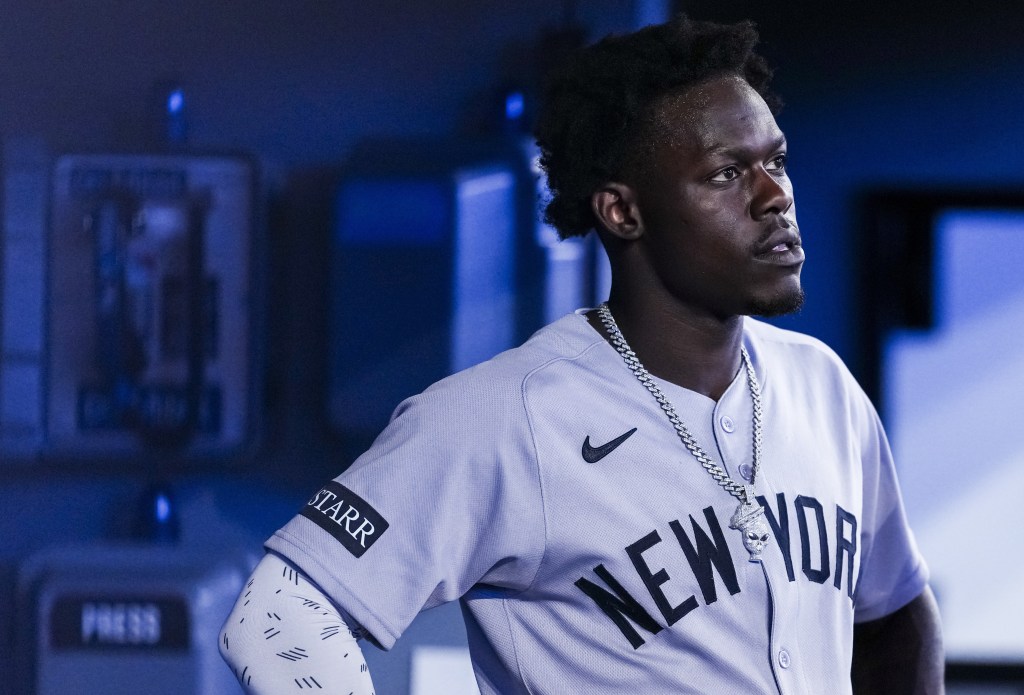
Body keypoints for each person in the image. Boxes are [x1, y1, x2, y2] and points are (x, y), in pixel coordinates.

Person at [220, 14, 944, 694]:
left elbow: (894, 614)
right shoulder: (506, 415)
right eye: (727, 173)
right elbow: (278, 617)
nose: (773, 196)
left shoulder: (823, 385)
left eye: (775, 161)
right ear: (622, 211)